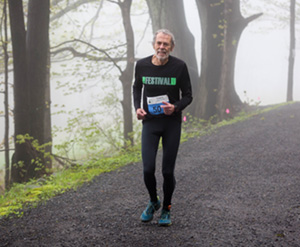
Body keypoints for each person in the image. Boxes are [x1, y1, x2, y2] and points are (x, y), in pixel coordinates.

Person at [132, 29, 193, 226]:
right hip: (150, 122)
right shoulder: (141, 65)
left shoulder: (179, 67)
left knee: (167, 171)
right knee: (148, 169)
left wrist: (175, 107)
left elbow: (188, 95)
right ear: (153, 45)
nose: (162, 47)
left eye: (166, 44)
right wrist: (137, 108)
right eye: (159, 43)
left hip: (171, 124)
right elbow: (136, 87)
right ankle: (153, 201)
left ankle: (166, 208)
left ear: (172, 47)